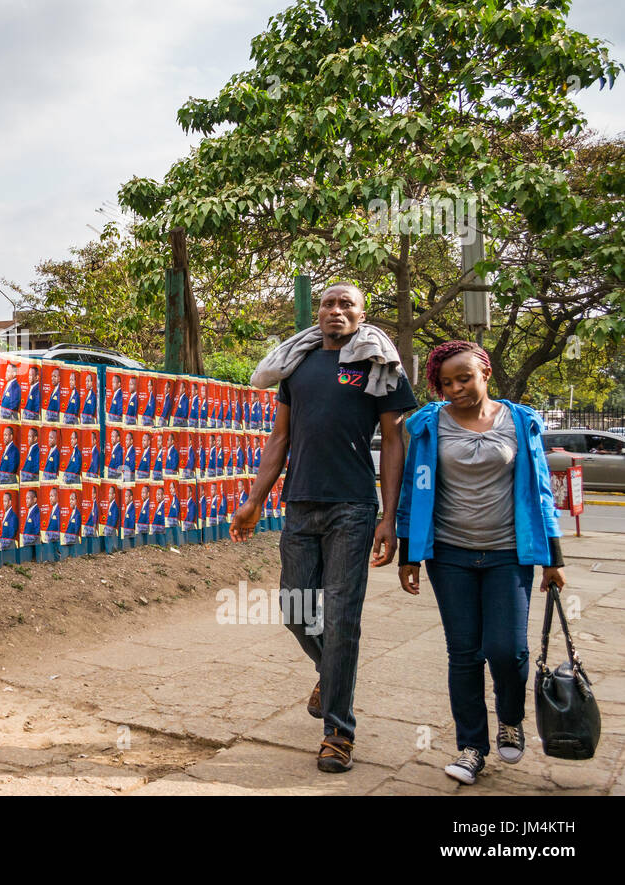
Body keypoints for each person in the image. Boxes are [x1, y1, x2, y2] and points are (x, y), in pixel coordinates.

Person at [230, 283, 416, 774]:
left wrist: (388, 517)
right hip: (300, 505)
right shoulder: (299, 365)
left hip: (353, 508)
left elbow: (394, 443)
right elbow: (280, 438)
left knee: (341, 621)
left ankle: (338, 732)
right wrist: (253, 500)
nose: (336, 310)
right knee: (295, 609)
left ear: (361, 313)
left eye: (346, 304)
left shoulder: (379, 367)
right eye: (329, 303)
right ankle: (329, 672)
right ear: (320, 312)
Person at [396, 341, 566, 785]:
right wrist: (408, 552)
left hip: (509, 554)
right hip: (449, 555)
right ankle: (472, 747)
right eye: (446, 383)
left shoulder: (520, 421)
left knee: (506, 650)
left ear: (485, 372)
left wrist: (554, 557)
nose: (456, 389)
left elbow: (541, 491)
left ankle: (511, 718)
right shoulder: (429, 426)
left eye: (464, 378)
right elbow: (415, 490)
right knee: (465, 654)